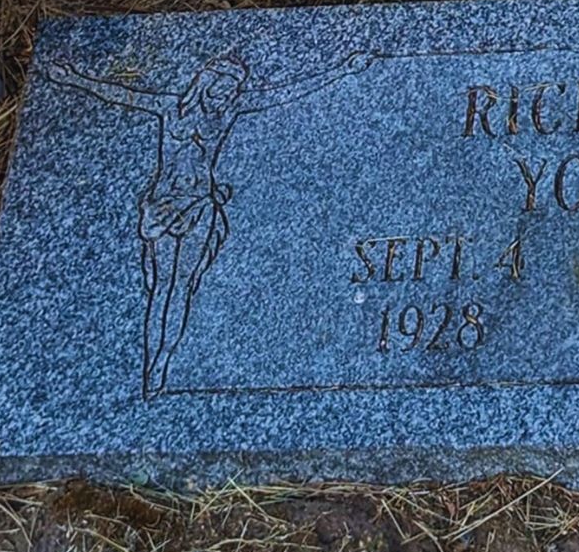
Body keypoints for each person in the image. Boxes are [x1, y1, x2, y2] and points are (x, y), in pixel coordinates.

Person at [48, 53, 372, 398]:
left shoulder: (228, 113)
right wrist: (72, 78)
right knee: (160, 287)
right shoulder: (170, 108)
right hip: (163, 207)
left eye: (231, 91)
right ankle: (148, 363)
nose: (225, 96)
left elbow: (283, 93)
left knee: (182, 287)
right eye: (222, 88)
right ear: (206, 81)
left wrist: (342, 68)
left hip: (201, 207)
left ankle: (161, 365)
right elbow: (123, 94)